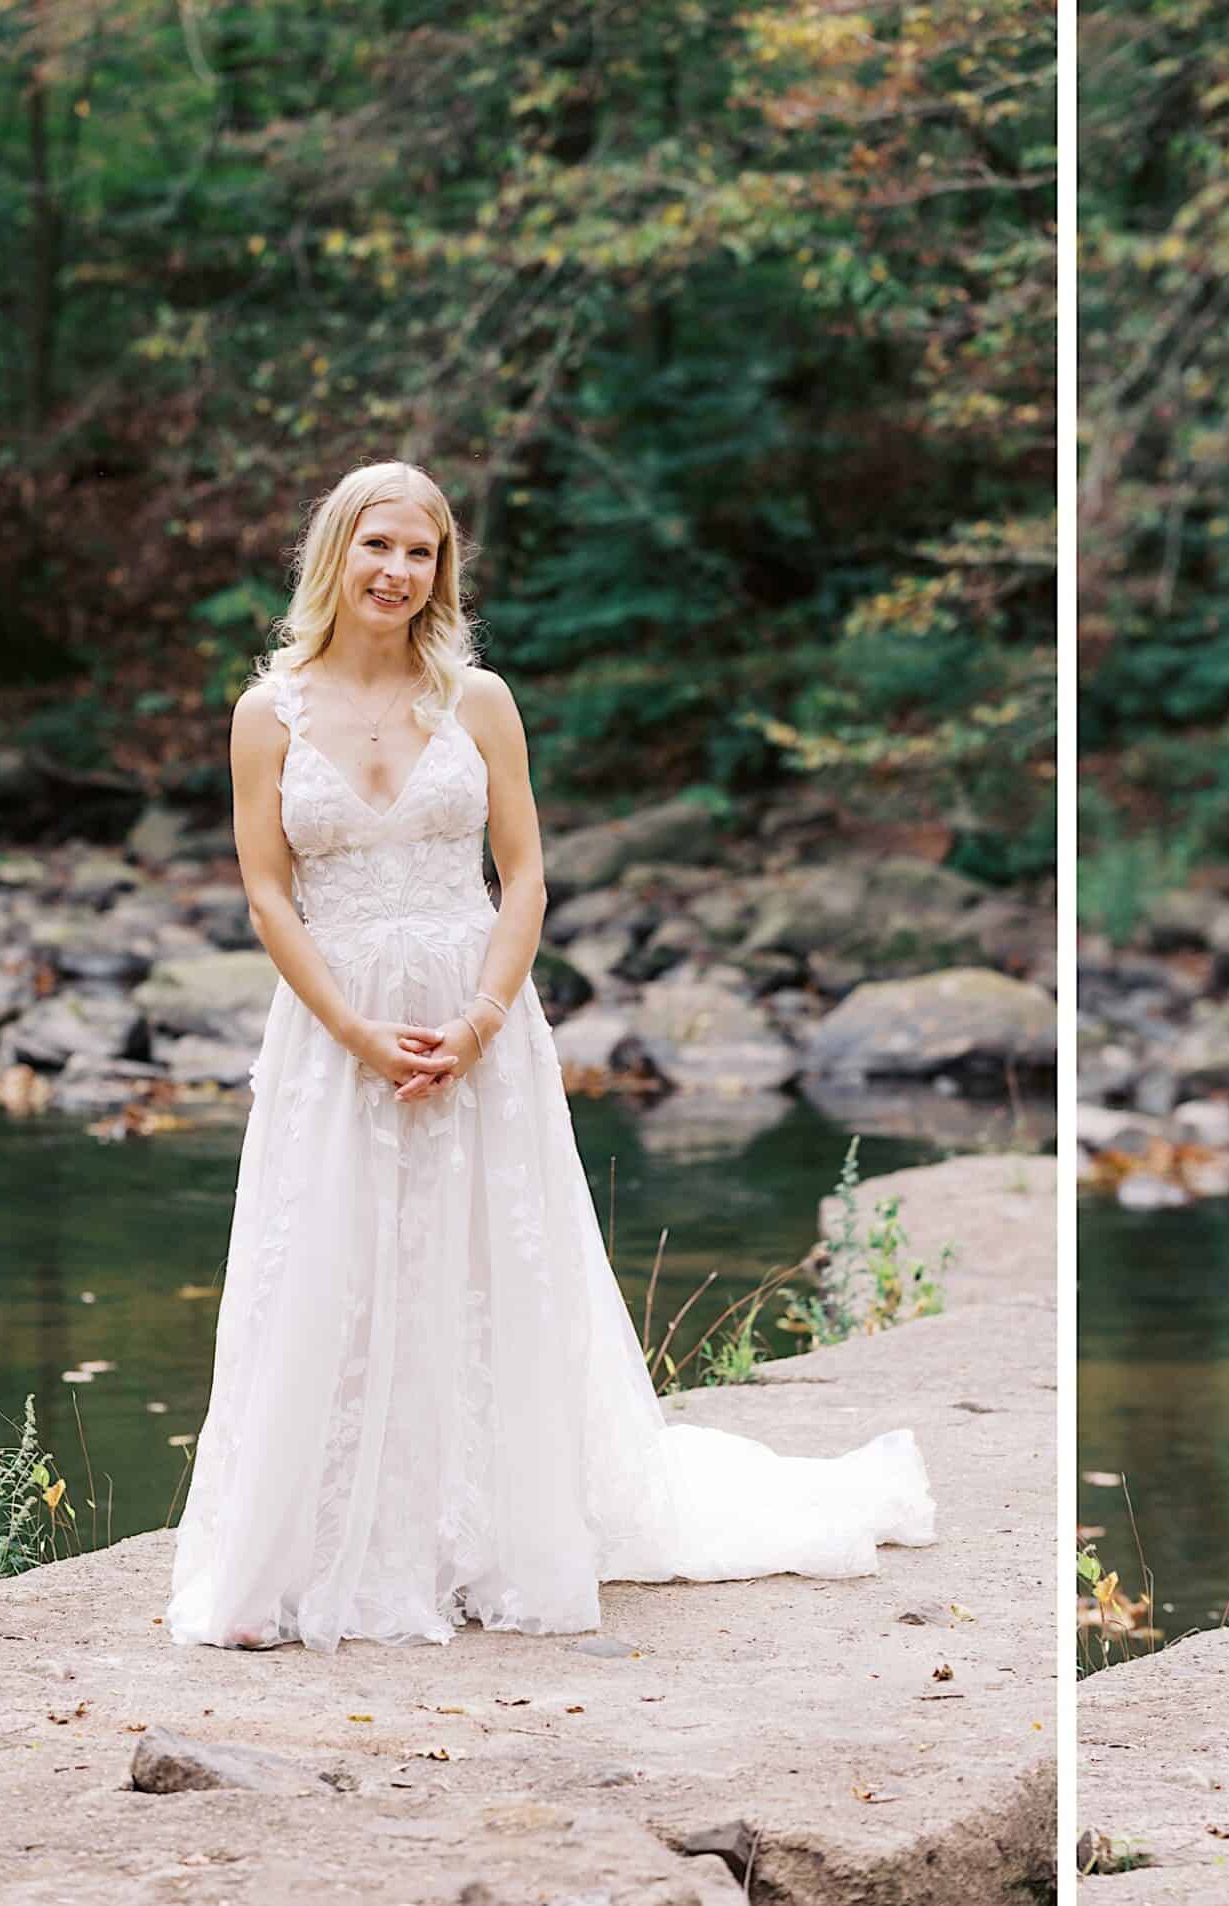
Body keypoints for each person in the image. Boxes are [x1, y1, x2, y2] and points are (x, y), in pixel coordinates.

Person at [166, 461, 935, 1652]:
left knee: (478, 1265)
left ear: (442, 569)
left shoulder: (477, 700)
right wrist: (356, 1032)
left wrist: (477, 1020)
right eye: (377, 546)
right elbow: (269, 896)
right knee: (330, 1263)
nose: (396, 571)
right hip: (337, 1026)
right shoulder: (267, 715)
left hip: (477, 1018)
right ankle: (322, 1548)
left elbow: (522, 874)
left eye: (420, 552)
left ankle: (489, 1536)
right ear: (336, 555)